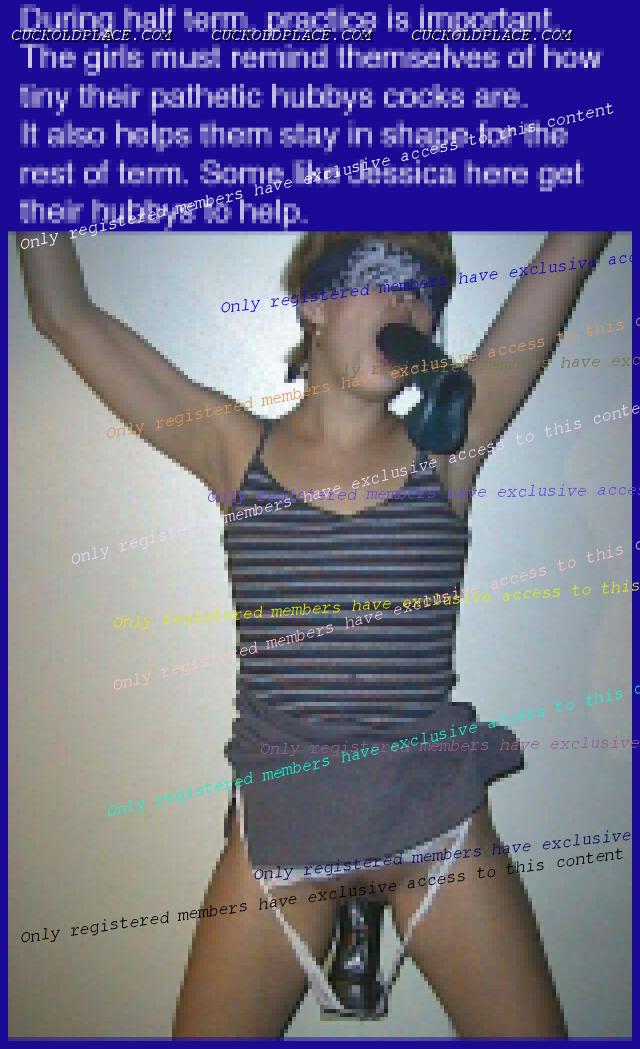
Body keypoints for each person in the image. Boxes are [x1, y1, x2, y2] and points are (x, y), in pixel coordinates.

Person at [18, 230, 611, 1038]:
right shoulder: (237, 450)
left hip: (433, 820)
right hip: (285, 828)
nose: (408, 306)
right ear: (314, 305)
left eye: (424, 292)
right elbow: (65, 315)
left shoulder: (448, 447)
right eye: (381, 277)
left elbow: (572, 246)